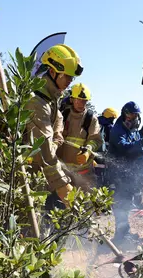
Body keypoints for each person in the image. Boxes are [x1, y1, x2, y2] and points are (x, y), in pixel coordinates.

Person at [25, 44, 83, 208]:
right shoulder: (36, 101)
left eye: (72, 78)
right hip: (24, 174)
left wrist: (56, 140)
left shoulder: (50, 101)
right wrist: (62, 183)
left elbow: (55, 131)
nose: (70, 82)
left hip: (37, 174)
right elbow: (43, 147)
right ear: (52, 72)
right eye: (67, 76)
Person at [107, 101, 143, 244]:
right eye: (129, 115)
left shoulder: (133, 132)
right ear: (124, 114)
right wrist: (141, 143)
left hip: (129, 174)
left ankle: (124, 232)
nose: (132, 118)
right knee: (121, 205)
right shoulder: (118, 130)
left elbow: (137, 154)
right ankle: (120, 237)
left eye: (135, 115)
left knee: (127, 205)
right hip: (118, 174)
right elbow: (124, 148)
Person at [56, 83, 102, 190]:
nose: (82, 103)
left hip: (83, 170)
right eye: (79, 100)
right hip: (63, 169)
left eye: (84, 101)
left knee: (86, 201)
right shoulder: (63, 115)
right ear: (72, 99)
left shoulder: (91, 119)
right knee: (64, 202)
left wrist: (88, 152)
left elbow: (96, 140)